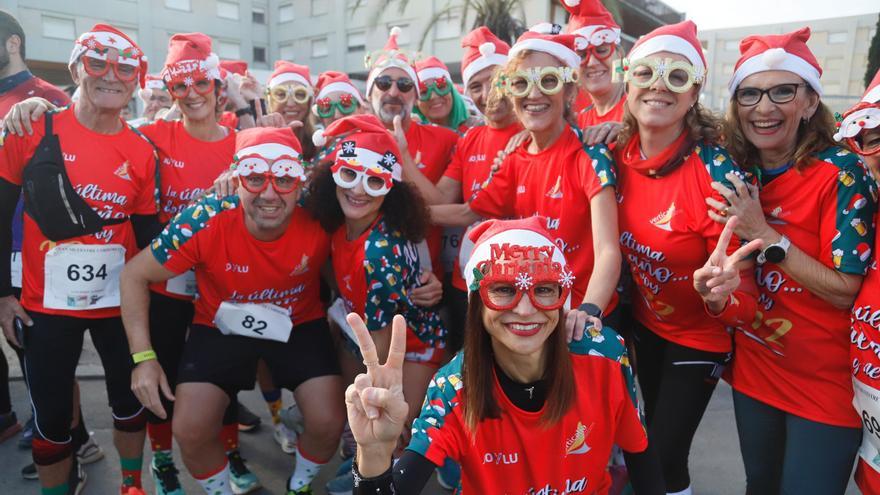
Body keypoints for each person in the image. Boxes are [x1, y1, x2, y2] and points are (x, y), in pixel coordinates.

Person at [344, 216, 663, 494]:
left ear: (562, 298)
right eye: (504, 290)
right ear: (475, 303)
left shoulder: (605, 356)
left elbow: (642, 458)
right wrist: (373, 453)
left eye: (543, 289)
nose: (525, 310)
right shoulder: (453, 387)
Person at [122, 127, 345, 495]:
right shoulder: (205, 217)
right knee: (190, 429)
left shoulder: (319, 213)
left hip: (298, 323)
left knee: (328, 420)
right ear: (236, 178)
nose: (270, 193)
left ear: (300, 181)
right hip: (220, 325)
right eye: (255, 178)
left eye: (284, 179)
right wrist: (143, 358)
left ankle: (300, 485)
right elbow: (134, 274)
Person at [709, 27, 877, 494]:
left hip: (827, 387)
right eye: (750, 94)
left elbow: (844, 290)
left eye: (784, 91)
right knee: (759, 487)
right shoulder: (738, 172)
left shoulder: (842, 173)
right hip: (757, 373)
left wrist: (764, 233)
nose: (764, 107)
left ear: (809, 103)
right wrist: (718, 294)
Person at [0, 23, 154, 495]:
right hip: (45, 305)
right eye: (97, 62)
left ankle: (131, 485)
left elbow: (148, 240)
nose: (112, 75)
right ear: (75, 68)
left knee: (129, 404)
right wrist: (3, 295)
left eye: (125, 67)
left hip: (117, 305)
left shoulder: (142, 151)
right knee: (49, 418)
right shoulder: (30, 129)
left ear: (136, 80)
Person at [611, 20, 764, 495]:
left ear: (694, 91)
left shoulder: (716, 173)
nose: (658, 85)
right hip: (646, 328)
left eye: (676, 76)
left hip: (699, 337)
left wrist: (720, 295)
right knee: (643, 448)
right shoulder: (615, 151)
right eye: (645, 73)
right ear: (628, 80)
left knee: (662, 457)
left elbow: (748, 300)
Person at [431, 23, 621, 334]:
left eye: (548, 81)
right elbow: (470, 212)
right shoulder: (515, 156)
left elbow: (608, 251)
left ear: (570, 90)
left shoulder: (590, 154)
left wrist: (588, 310)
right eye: (522, 83)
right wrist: (395, 208)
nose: (534, 94)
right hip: (534, 317)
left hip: (586, 318)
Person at [308, 114, 446, 493]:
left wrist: (371, 388)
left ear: (391, 189)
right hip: (364, 330)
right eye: (349, 176)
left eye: (374, 181)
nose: (359, 191)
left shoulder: (379, 250)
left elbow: (381, 355)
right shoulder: (340, 224)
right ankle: (359, 462)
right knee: (361, 427)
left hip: (412, 346)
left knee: (394, 428)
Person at [401, 25, 520, 356]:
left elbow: (473, 211)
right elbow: (440, 199)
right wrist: (405, 155)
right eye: (476, 86)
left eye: (497, 80)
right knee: (467, 371)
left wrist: (399, 213)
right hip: (465, 280)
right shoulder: (469, 139)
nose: (488, 93)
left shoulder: (531, 133)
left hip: (517, 279)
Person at [360, 27, 459, 279]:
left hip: (427, 281)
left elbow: (442, 207)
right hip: (362, 276)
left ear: (415, 96)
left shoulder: (446, 139)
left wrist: (402, 156)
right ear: (369, 93)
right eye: (383, 83)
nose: (393, 92)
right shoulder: (350, 141)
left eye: (404, 85)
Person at [562, 0, 626, 140]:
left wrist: (632, 132)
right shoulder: (576, 123)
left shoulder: (642, 112)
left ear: (619, 56)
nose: (592, 62)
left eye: (601, 50)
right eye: (582, 55)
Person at [264, 60, 318, 161]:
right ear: (270, 100)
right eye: (281, 94)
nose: (290, 104)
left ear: (310, 101)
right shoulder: (258, 141)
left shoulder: (319, 142)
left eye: (300, 94)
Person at [413, 56, 479, 133]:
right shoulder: (411, 136)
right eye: (424, 92)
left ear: (452, 91)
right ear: (415, 102)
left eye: (441, 87)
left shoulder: (478, 128)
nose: (434, 96)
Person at [460, 26, 510, 117]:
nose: (487, 95)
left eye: (496, 81)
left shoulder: (539, 130)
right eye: (476, 87)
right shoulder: (471, 132)